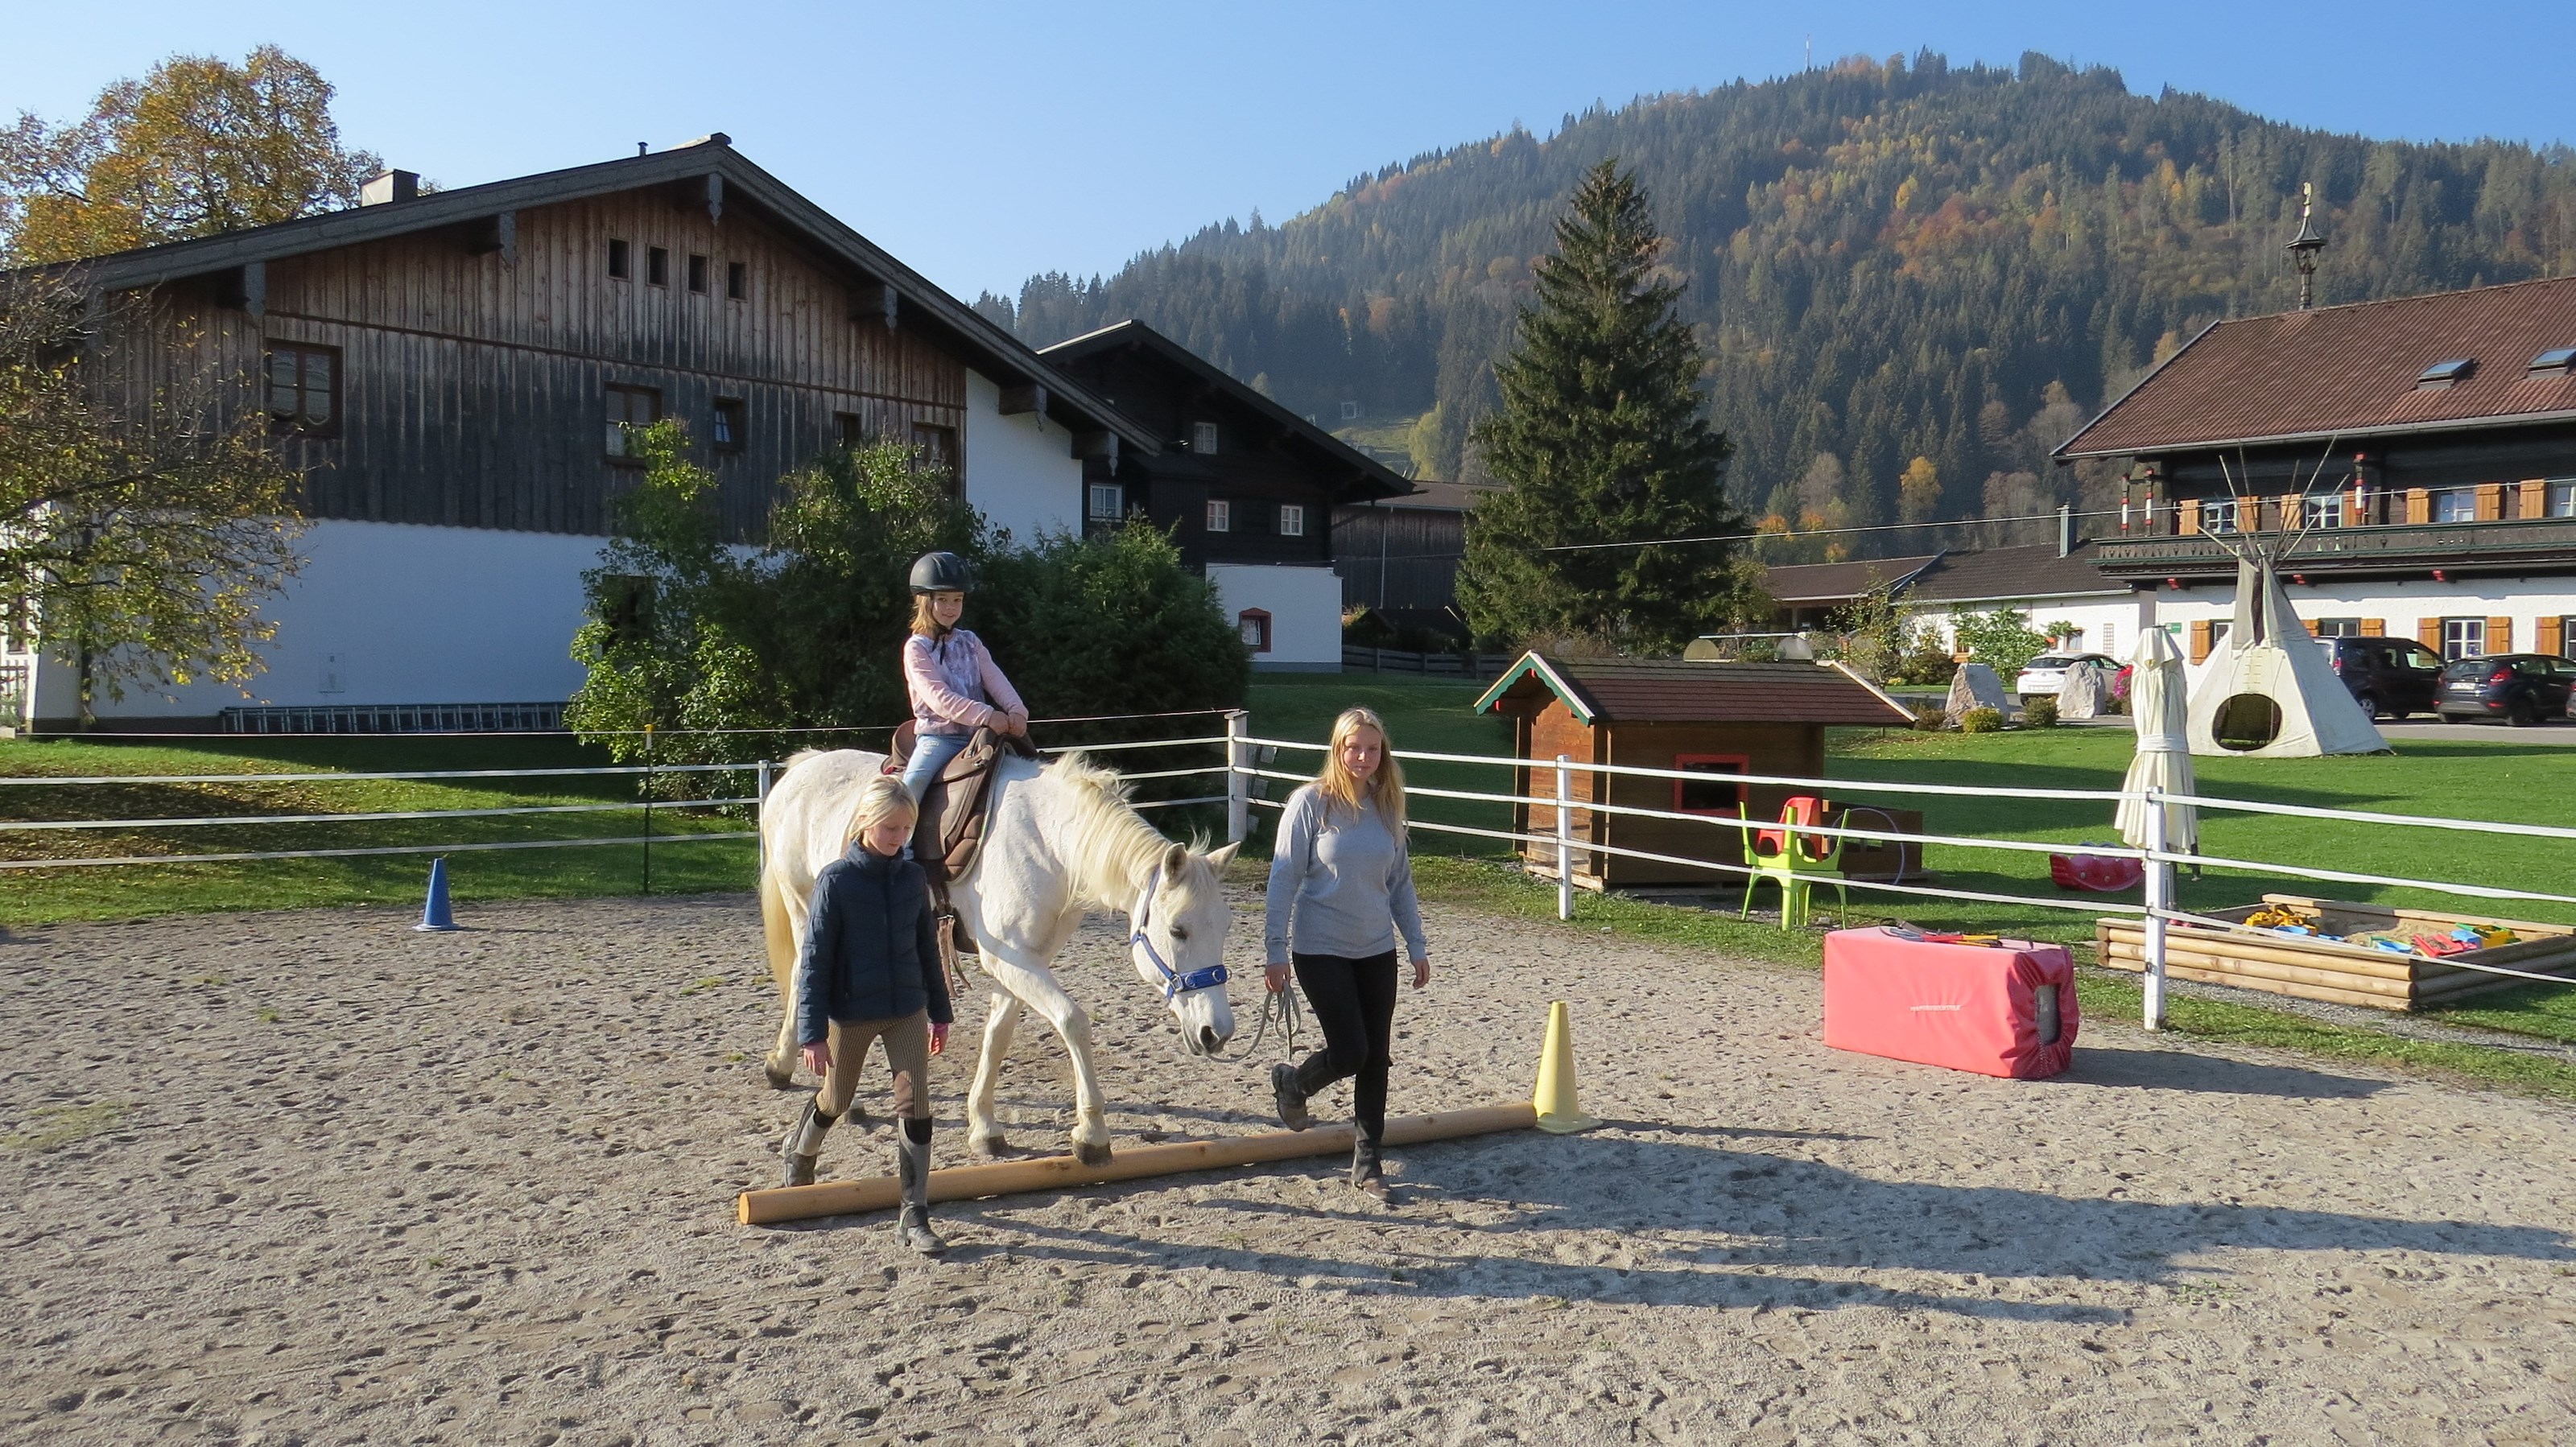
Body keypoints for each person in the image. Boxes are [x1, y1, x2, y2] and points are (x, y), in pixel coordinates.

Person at [780, 774, 954, 1255]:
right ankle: (801, 1150)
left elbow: (926, 949)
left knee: (916, 1105)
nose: (899, 839)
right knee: (836, 1099)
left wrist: (940, 1014)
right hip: (851, 1014)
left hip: (906, 1011)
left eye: (905, 830)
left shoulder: (913, 878)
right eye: (890, 829)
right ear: (865, 823)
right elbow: (814, 959)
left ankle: (913, 1215)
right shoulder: (836, 880)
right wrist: (811, 1034)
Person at [1262, 706, 1431, 1198]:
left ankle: (1368, 1162)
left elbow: (1400, 883)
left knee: (1376, 1056)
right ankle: (1296, 1083)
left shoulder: (1388, 806)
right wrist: (1275, 950)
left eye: (1372, 749)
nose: (1363, 757)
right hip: (1321, 949)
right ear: (1338, 750)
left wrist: (1415, 943)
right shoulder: (1310, 803)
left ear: (1383, 753)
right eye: (1353, 747)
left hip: (1376, 949)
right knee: (1351, 1050)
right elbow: (1283, 877)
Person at [899, 550, 1029, 814]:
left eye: (957, 600)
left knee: (1031, 765)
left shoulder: (970, 641)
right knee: (912, 784)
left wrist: (1017, 710)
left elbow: (995, 678)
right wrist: (987, 714)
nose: (951, 607)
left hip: (979, 737)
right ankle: (902, 846)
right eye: (943, 599)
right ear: (925, 600)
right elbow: (939, 698)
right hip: (939, 738)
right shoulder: (916, 648)